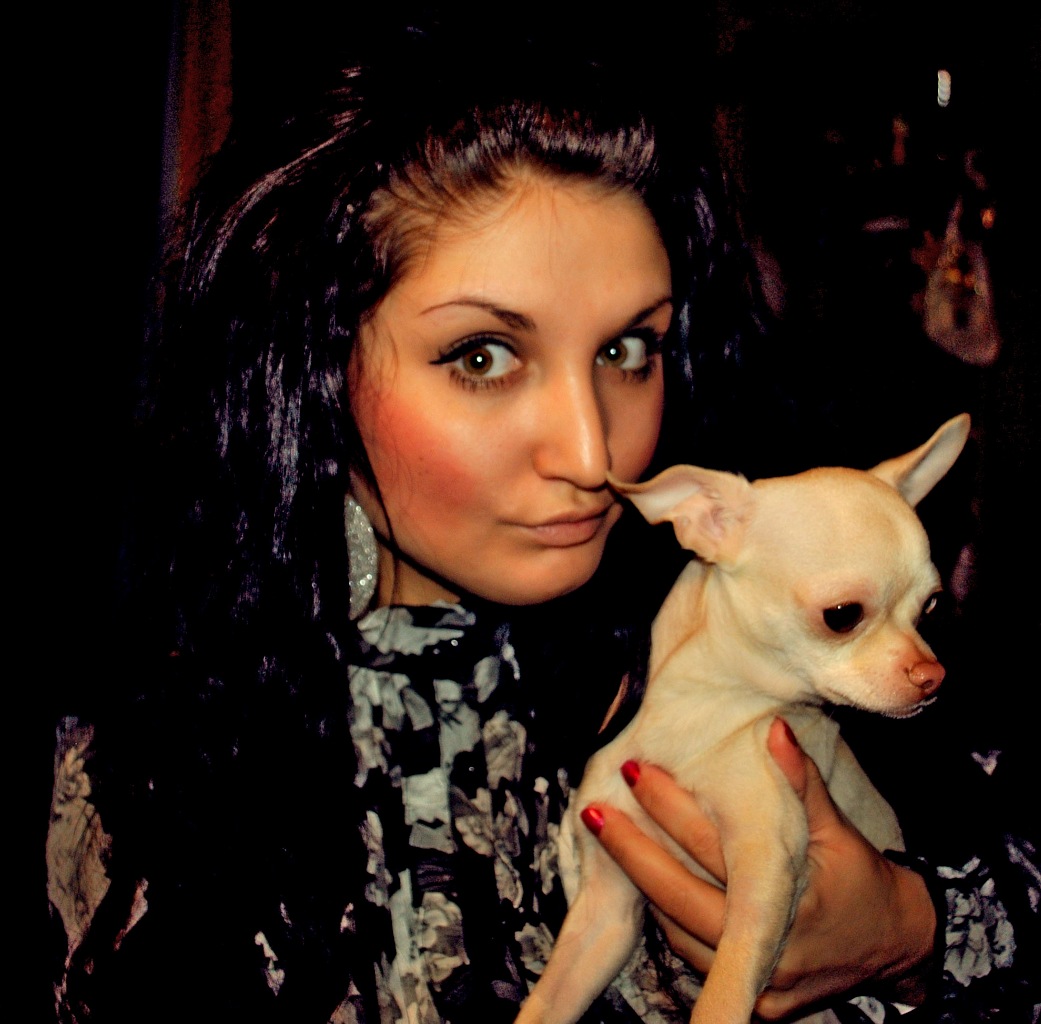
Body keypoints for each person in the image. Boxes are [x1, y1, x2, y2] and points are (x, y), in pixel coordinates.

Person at [46, 28, 1037, 1024]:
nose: (590, 450)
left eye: (627, 349)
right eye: (482, 356)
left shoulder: (762, 644)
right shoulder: (135, 785)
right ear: (313, 369)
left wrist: (916, 935)